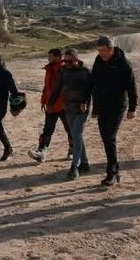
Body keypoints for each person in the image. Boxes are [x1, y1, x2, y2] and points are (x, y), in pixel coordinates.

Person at [90, 35, 137, 186]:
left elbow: (132, 88)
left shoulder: (124, 64)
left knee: (109, 137)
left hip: (118, 107)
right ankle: (115, 167)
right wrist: (94, 107)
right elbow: (93, 83)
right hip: (102, 106)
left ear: (111, 49)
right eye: (99, 51)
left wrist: (132, 109)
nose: (101, 54)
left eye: (103, 51)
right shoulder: (98, 61)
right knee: (105, 138)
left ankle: (111, 172)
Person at [48, 48, 92, 180]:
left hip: (82, 109)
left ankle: (75, 166)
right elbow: (57, 88)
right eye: (65, 61)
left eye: (69, 61)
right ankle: (85, 163)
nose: (67, 63)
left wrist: (85, 102)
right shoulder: (63, 71)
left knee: (76, 134)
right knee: (76, 135)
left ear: (76, 59)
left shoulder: (85, 72)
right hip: (68, 107)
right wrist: (50, 103)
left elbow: (89, 89)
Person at [28, 48, 73, 163]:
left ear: (58, 57)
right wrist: (44, 101)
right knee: (47, 130)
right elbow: (46, 87)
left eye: (51, 57)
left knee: (70, 129)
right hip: (50, 106)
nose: (48, 59)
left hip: (64, 106)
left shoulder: (65, 68)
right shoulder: (49, 69)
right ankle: (41, 152)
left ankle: (72, 150)